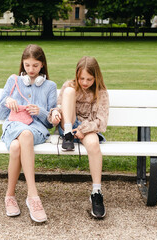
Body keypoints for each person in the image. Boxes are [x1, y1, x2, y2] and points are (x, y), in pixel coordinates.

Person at [0, 44, 57, 223]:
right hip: (13, 126)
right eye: (27, 65)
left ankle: (12, 196)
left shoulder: (50, 86)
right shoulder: (13, 81)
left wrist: (42, 112)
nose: (31, 70)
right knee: (21, 138)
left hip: (36, 130)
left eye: (35, 66)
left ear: (42, 65)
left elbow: (51, 123)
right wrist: (8, 101)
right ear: (23, 64)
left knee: (18, 144)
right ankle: (32, 196)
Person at [48, 56, 109, 219]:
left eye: (89, 79)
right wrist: (55, 113)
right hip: (68, 124)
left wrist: (82, 129)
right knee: (69, 91)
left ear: (96, 77)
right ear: (77, 75)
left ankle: (96, 192)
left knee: (94, 144)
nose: (84, 82)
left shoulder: (101, 92)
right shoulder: (70, 85)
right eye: (81, 78)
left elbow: (101, 121)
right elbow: (59, 107)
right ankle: (68, 135)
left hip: (87, 128)